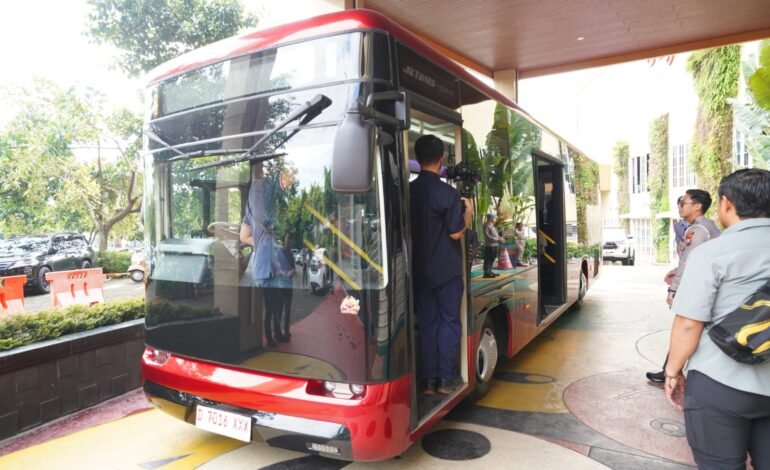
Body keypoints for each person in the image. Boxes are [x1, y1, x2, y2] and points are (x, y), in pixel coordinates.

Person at [664, 169, 770, 469]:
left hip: (720, 382)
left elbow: (688, 323)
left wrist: (673, 371)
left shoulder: (712, 253)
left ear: (726, 204)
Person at [410, 134, 473, 396]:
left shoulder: (408, 191)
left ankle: (427, 381)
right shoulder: (447, 194)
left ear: (417, 158)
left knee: (428, 324)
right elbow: (456, 233)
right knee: (449, 322)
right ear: (441, 159)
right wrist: (467, 213)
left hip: (419, 270)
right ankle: (446, 380)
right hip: (446, 271)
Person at [646, 189, 720, 383]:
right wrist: (676, 269)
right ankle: (670, 370)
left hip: (700, 287)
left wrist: (674, 289)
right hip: (706, 284)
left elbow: (689, 261)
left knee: (687, 328)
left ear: (697, 206)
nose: (679, 206)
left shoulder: (698, 230)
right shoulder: (705, 226)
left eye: (683, 202)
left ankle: (672, 372)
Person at [240, 163, 295, 348]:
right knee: (274, 307)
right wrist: (271, 245)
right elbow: (280, 230)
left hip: (262, 268)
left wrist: (264, 244)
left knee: (271, 306)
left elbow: (244, 236)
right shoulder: (272, 193)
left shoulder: (252, 195)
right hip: (276, 268)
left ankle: (272, 336)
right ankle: (274, 336)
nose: (292, 180)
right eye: (291, 174)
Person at [271, 232, 296, 342]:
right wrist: (284, 273)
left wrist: (293, 272)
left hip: (289, 286)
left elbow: (294, 269)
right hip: (281, 286)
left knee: (287, 310)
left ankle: (286, 331)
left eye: (290, 239)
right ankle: (277, 333)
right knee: (279, 310)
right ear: (284, 240)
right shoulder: (280, 252)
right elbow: (276, 268)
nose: (288, 241)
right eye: (287, 238)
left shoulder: (291, 253)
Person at [482, 213, 504, 278]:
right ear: (490, 218)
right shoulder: (486, 225)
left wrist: (501, 238)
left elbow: (495, 235)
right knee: (488, 259)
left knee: (492, 258)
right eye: (494, 217)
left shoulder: (492, 225)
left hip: (495, 245)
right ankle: (486, 273)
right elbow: (487, 236)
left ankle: (490, 271)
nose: (495, 219)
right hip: (489, 245)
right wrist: (497, 239)